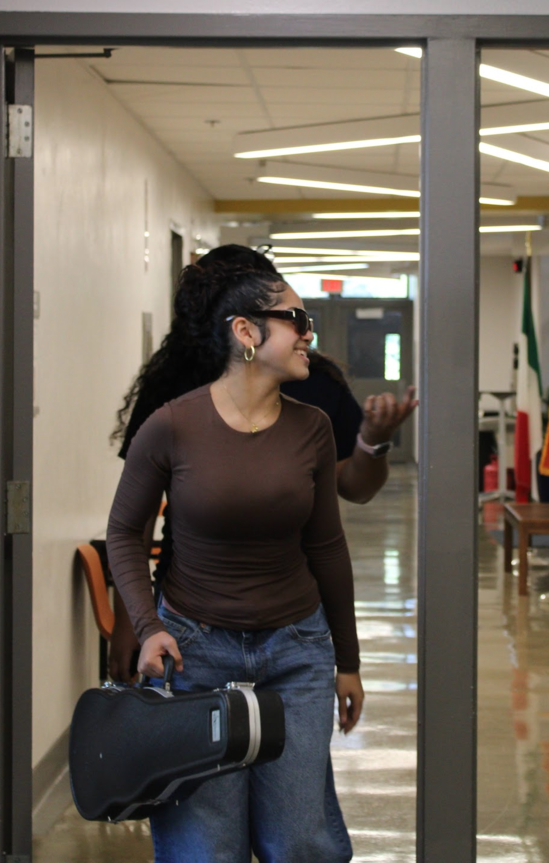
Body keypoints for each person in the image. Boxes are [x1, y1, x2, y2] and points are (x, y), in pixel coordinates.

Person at [106, 263, 359, 861]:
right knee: (206, 846)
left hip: (297, 652)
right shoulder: (171, 425)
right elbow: (123, 531)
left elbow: (326, 544)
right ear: (246, 332)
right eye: (296, 321)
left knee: (297, 840)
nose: (307, 335)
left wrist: (346, 660)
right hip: (194, 654)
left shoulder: (313, 428)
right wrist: (148, 627)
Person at [106, 244, 416, 681]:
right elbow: (131, 524)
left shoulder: (311, 381)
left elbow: (351, 494)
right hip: (193, 614)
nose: (305, 333)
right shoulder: (174, 394)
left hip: (292, 621)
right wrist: (131, 622)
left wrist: (374, 442)